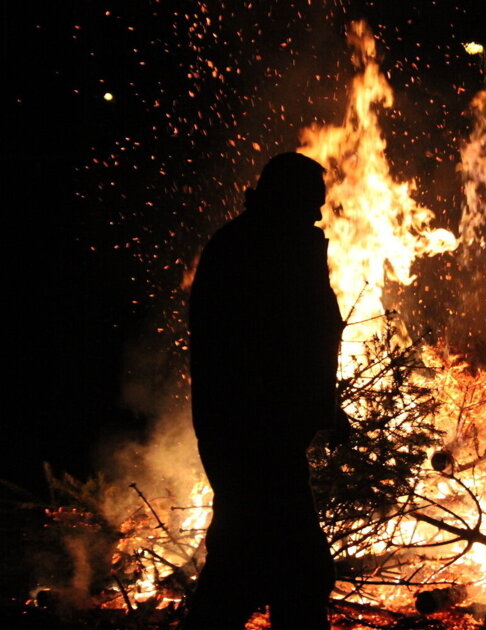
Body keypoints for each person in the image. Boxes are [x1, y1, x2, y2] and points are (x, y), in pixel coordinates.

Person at [184, 152, 346, 630]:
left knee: (247, 556)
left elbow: (308, 337)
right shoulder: (256, 249)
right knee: (289, 567)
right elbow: (276, 346)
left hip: (259, 432)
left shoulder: (270, 243)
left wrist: (323, 407)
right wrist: (306, 407)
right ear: (285, 196)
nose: (318, 214)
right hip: (252, 434)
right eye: (311, 202)